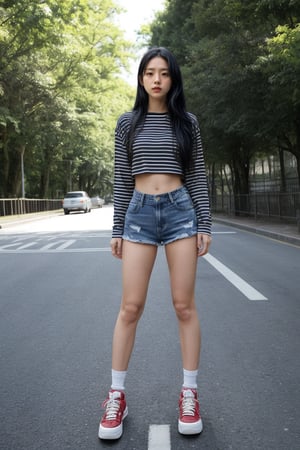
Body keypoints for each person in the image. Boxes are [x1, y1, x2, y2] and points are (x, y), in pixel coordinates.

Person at [98, 47, 212, 440]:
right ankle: (116, 396)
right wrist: (117, 229)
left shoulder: (187, 123)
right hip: (139, 215)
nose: (157, 79)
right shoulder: (128, 123)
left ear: (173, 79)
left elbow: (197, 174)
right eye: (150, 72)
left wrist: (205, 223)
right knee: (130, 307)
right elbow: (121, 179)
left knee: (184, 306)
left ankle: (190, 393)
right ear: (142, 79)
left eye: (164, 73)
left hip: (181, 211)